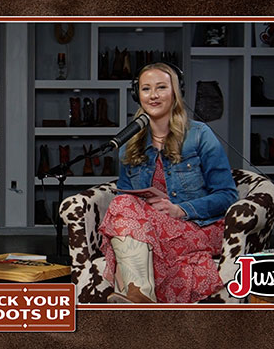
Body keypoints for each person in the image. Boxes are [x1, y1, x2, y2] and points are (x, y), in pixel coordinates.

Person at [98, 62, 238, 303]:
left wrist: (181, 209)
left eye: (161, 87)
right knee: (123, 204)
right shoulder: (130, 143)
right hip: (148, 228)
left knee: (123, 210)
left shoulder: (200, 134)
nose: (153, 95)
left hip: (196, 226)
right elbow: (127, 198)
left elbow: (227, 195)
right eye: (145, 89)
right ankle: (140, 296)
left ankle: (136, 295)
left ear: (176, 92)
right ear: (137, 94)